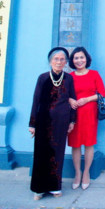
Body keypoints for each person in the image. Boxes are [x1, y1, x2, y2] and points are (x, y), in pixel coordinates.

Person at [29, 47, 77, 200]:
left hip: (61, 122)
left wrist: (72, 120)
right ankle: (39, 189)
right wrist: (32, 124)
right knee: (41, 153)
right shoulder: (43, 78)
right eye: (56, 59)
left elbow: (73, 100)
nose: (59, 62)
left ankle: (55, 187)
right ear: (50, 61)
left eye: (62, 59)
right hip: (43, 121)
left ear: (66, 62)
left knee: (57, 153)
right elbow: (36, 101)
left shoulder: (68, 79)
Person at [67, 46, 105, 190]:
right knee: (75, 144)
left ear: (86, 59)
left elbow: (102, 93)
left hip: (90, 114)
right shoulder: (69, 76)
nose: (79, 60)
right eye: (76, 58)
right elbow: (65, 94)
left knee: (89, 144)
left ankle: (86, 173)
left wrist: (87, 99)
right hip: (74, 115)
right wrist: (71, 100)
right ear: (72, 60)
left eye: (81, 57)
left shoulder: (94, 74)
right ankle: (77, 173)